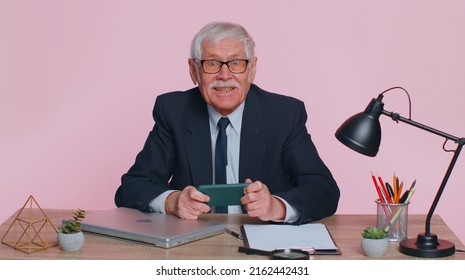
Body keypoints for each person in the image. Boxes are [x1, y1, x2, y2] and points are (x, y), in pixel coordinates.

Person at [115, 21, 340, 225]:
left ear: (251, 69)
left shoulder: (284, 114)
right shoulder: (173, 111)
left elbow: (324, 191)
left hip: (264, 244)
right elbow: (131, 188)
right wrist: (172, 202)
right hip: (193, 245)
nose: (224, 75)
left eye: (236, 63)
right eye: (212, 63)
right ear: (194, 71)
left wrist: (276, 207)